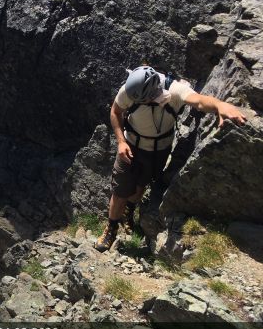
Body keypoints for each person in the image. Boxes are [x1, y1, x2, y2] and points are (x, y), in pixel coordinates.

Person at [94, 65, 247, 252]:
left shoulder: (174, 89)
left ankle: (130, 211)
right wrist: (120, 142)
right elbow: (116, 112)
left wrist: (219, 105)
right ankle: (111, 227)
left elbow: (198, 101)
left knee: (142, 183)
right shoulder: (129, 90)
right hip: (131, 144)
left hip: (159, 150)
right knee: (120, 189)